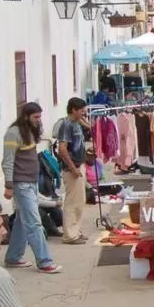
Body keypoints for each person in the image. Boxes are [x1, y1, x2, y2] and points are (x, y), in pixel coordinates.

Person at [2, 102, 62, 274]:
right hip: (21, 184)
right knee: (34, 223)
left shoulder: (30, 131)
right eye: (35, 117)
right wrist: (9, 186)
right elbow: (8, 161)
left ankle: (13, 257)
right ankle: (45, 262)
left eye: (40, 117)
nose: (38, 120)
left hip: (31, 182)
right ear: (26, 116)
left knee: (22, 221)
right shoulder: (13, 133)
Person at [56, 97, 89, 245]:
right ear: (73, 110)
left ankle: (76, 230)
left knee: (79, 201)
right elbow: (62, 148)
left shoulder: (76, 123)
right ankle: (69, 234)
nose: (84, 112)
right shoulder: (66, 125)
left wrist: (84, 121)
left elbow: (91, 127)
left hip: (79, 165)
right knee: (72, 202)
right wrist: (72, 168)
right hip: (72, 168)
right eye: (81, 110)